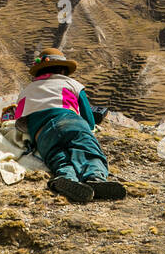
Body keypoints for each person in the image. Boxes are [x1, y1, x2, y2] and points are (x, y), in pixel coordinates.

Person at [14, 48, 126, 203]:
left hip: (42, 133)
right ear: (62, 70)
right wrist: (88, 125)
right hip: (70, 122)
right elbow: (88, 118)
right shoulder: (71, 83)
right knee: (88, 150)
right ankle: (95, 177)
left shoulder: (25, 92)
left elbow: (20, 122)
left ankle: (66, 178)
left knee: (58, 157)